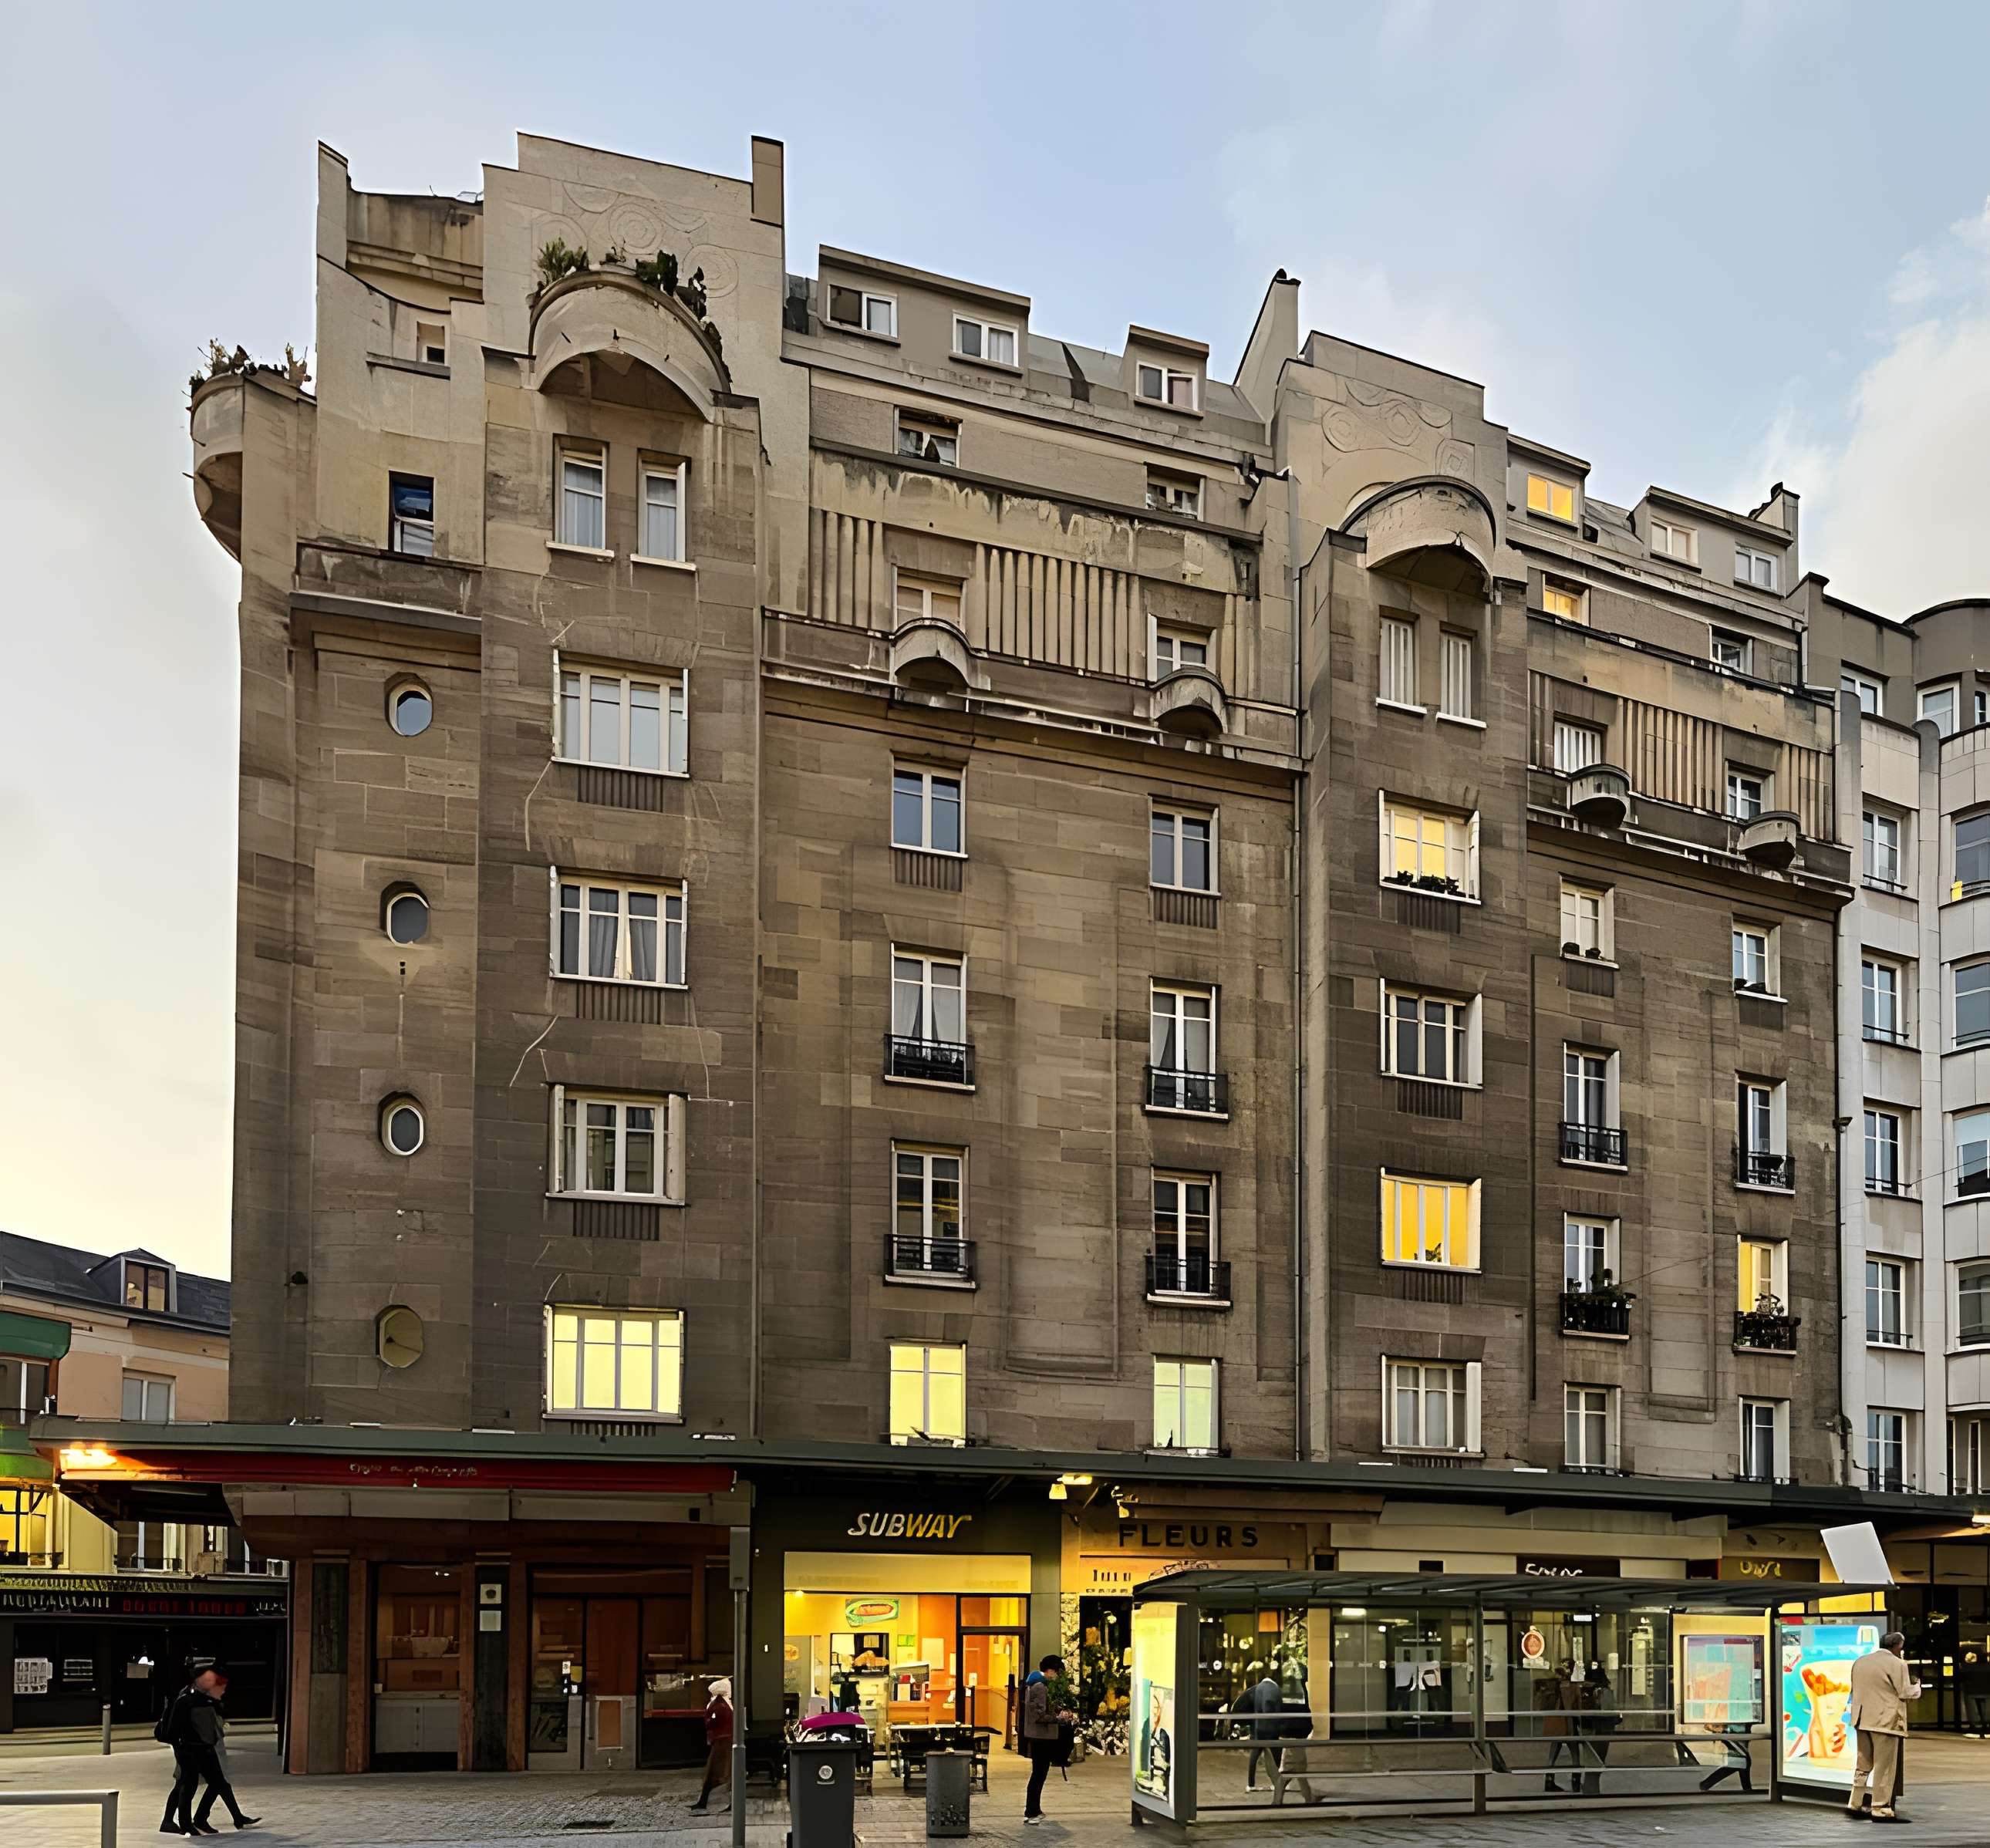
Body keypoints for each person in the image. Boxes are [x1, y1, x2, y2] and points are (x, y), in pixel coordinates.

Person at [159, 1663, 260, 1835]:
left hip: (203, 1747)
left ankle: (199, 1819)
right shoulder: (186, 1698)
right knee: (188, 1784)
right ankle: (182, 1822)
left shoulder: (204, 1697)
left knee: (212, 1782)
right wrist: (182, 1749)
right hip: (190, 1748)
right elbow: (174, 1729)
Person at [1847, 1630, 1921, 1823]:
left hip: (1862, 1718)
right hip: (1885, 1721)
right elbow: (1905, 1692)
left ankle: (1855, 1803)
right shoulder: (1898, 1664)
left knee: (1863, 1764)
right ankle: (1881, 1808)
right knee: (1885, 1766)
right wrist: (1917, 1687)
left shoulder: (1861, 1661)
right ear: (1898, 1646)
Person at [1020, 1654, 1074, 1826]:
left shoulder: (1035, 1683)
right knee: (1038, 1774)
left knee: (1038, 1774)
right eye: (1057, 1672)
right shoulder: (1039, 1687)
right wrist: (1059, 1719)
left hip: (1039, 1736)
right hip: (1041, 1737)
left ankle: (1033, 1810)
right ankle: (1031, 1811)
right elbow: (1039, 1715)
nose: (1057, 1677)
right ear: (1051, 1670)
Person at [690, 1677, 733, 1812]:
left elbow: (712, 1721)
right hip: (723, 1741)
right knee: (722, 1773)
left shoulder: (719, 1705)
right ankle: (706, 1801)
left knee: (716, 1773)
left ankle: (706, 1802)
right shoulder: (724, 1703)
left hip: (721, 1742)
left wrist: (709, 1720)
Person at [1958, 1648, 1990, 1738]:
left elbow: (1961, 1677)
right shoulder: (1988, 1667)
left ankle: (1976, 1728)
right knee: (1985, 1710)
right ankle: (1986, 1726)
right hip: (1986, 1692)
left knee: (1973, 1711)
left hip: (1971, 1691)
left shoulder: (1967, 1667)